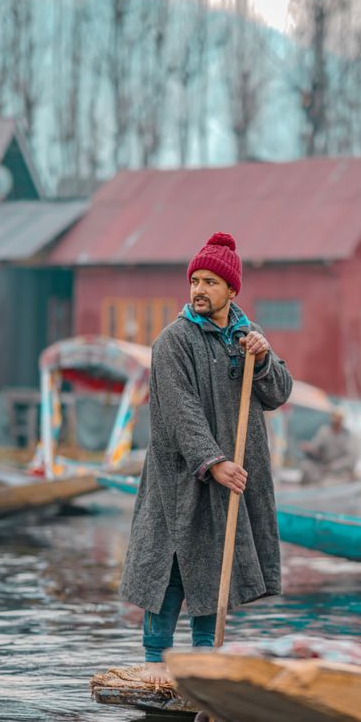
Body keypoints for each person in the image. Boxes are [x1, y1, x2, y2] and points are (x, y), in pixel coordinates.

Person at [120, 231, 293, 667]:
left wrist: (265, 359)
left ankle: (205, 666)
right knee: (170, 568)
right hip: (179, 479)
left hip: (229, 478)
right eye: (194, 281)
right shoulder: (172, 342)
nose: (199, 289)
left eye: (210, 282)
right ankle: (155, 663)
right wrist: (212, 461)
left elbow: (277, 394)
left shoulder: (247, 336)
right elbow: (180, 413)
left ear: (231, 290)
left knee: (215, 568)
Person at [299, 408, 357, 484]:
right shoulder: (324, 431)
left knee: (332, 480)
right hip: (323, 466)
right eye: (334, 417)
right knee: (305, 466)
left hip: (339, 470)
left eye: (338, 418)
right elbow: (315, 446)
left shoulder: (347, 436)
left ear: (342, 420)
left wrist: (334, 466)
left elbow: (350, 458)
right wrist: (309, 448)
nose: (336, 420)